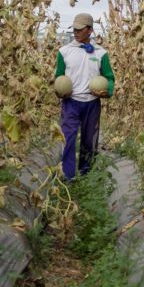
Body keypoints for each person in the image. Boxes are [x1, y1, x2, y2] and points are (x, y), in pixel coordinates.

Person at [55, 13, 115, 180]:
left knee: (89, 141)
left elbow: (109, 78)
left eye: (80, 29)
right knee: (68, 139)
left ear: (89, 30)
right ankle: (67, 176)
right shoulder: (64, 52)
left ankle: (86, 175)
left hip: (92, 103)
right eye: (74, 29)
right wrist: (59, 91)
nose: (76, 32)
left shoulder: (101, 53)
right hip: (71, 103)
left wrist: (107, 91)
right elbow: (58, 76)